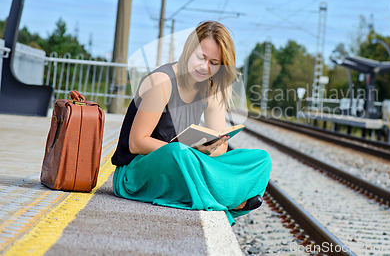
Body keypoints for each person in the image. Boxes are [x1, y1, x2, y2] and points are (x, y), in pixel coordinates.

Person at [111, 21, 272, 226]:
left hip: (185, 163)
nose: (205, 67)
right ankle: (229, 200)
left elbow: (221, 146)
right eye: (201, 57)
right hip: (134, 175)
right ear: (189, 50)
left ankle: (214, 195)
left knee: (260, 159)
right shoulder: (163, 81)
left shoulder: (213, 88)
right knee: (178, 152)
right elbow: (136, 142)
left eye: (214, 63)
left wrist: (206, 149)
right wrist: (188, 151)